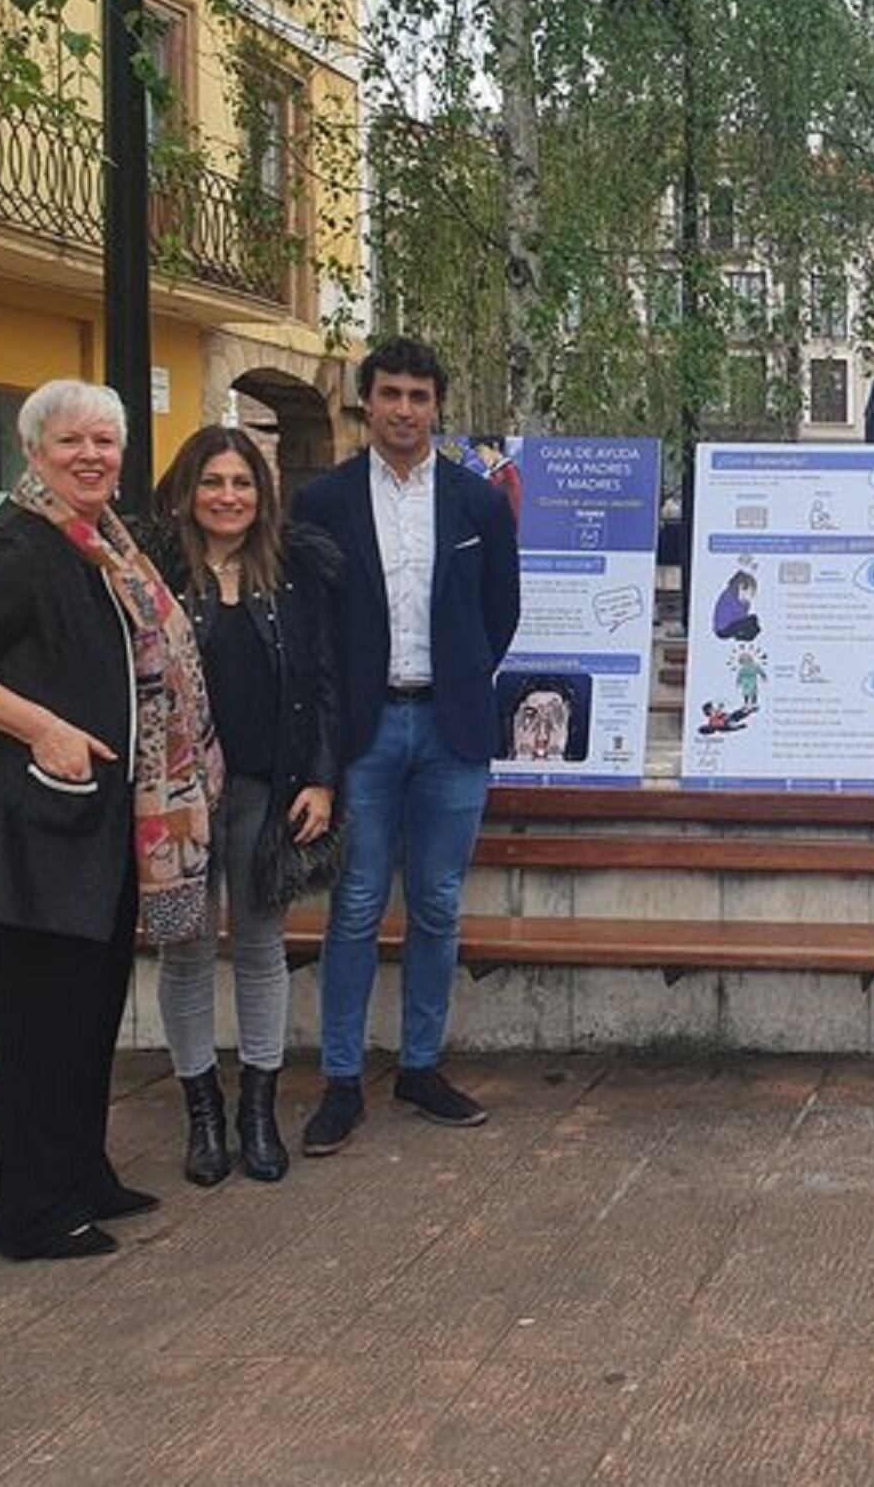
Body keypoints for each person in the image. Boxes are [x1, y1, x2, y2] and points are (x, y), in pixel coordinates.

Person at [0, 380, 221, 1259]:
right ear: (34, 452)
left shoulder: (100, 547)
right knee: (33, 1032)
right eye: (71, 442)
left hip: (93, 835)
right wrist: (41, 728)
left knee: (86, 1020)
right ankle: (30, 1214)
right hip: (24, 841)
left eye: (105, 443)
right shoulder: (15, 545)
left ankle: (80, 1175)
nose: (92, 456)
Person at [290, 338, 521, 1155]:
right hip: (364, 731)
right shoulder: (324, 502)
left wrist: (459, 681)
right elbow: (311, 624)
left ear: (437, 406)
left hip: (452, 731)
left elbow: (501, 614)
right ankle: (343, 1081)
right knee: (353, 908)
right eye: (389, 393)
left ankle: (421, 1066)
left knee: (437, 903)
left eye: (419, 396)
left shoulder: (478, 503)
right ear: (366, 400)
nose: (404, 410)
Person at [142, 427, 343, 1187]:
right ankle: (202, 1115)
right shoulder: (155, 575)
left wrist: (321, 780)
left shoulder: (294, 573)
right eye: (214, 482)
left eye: (243, 483)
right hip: (176, 803)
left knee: (262, 950)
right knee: (184, 952)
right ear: (188, 489)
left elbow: (324, 681)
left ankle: (257, 1110)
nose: (228, 497)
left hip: (269, 790)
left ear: (263, 495)